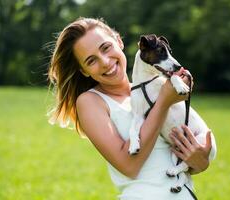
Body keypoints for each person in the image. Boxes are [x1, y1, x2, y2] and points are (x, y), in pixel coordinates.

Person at [48, 17, 216, 200]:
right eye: (91, 61)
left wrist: (200, 162)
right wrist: (163, 102)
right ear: (84, 71)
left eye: (105, 48)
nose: (104, 61)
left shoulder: (156, 88)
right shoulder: (91, 101)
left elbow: (176, 160)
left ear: (119, 41)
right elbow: (129, 166)